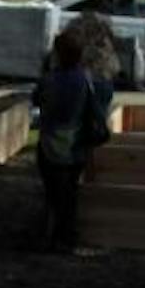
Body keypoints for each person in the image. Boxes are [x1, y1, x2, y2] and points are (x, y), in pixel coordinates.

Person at [30, 30, 110, 253]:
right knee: (70, 194)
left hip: (48, 146)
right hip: (74, 147)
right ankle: (65, 237)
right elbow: (96, 109)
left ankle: (49, 235)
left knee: (52, 194)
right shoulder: (83, 79)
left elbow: (36, 99)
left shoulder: (50, 80)